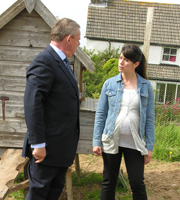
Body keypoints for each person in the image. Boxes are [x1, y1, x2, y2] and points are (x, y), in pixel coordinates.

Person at [22, 18, 81, 200]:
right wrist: (38, 144)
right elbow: (33, 104)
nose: (79, 44)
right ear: (68, 38)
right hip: (46, 149)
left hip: (60, 149)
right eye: (78, 39)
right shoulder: (45, 61)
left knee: (52, 195)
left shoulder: (62, 62)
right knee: (38, 195)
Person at [93, 44, 155, 200]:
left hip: (134, 142)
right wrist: (96, 141)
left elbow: (149, 118)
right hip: (111, 139)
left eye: (126, 59)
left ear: (136, 64)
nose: (121, 62)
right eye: (120, 57)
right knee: (108, 182)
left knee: (137, 183)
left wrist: (149, 146)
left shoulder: (146, 86)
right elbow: (101, 114)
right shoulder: (109, 84)